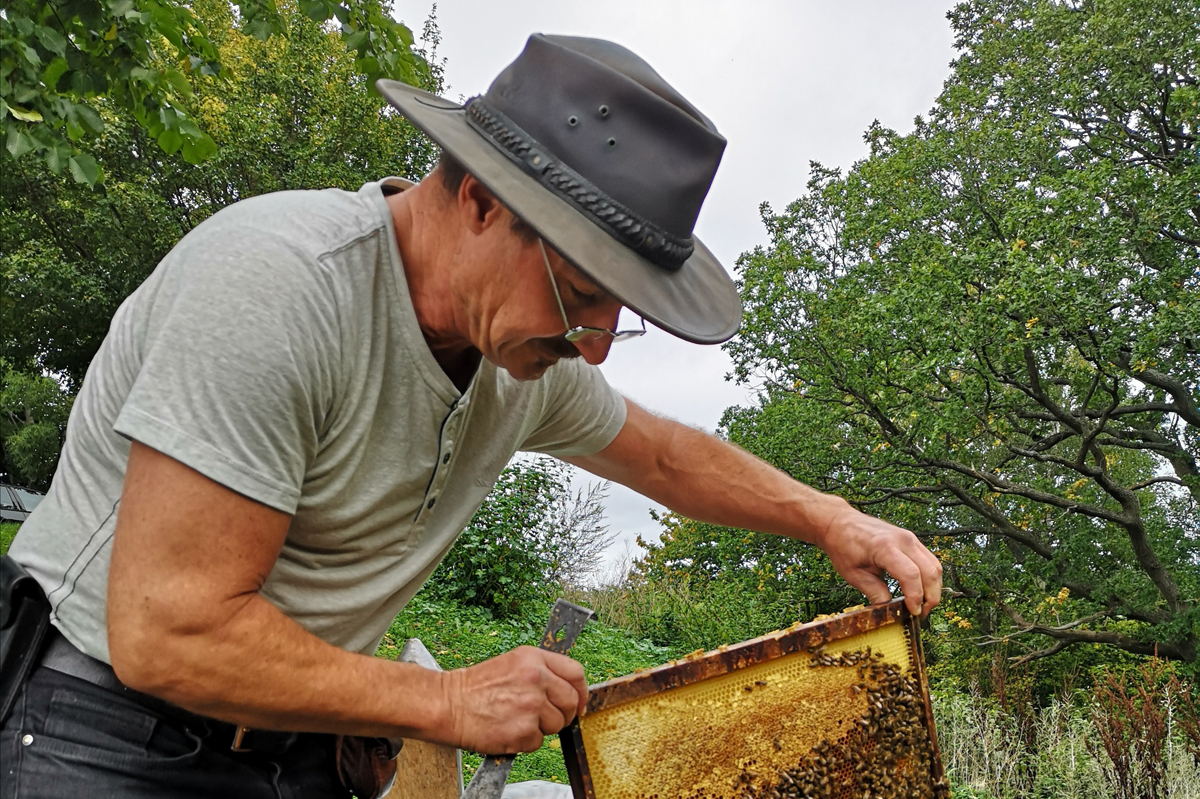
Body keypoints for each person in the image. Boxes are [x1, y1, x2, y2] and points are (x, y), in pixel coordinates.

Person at [1, 34, 942, 797]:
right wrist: (447, 700)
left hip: (299, 752)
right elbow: (167, 630)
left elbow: (661, 456)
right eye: (581, 293)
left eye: (621, 315)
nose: (597, 346)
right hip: (99, 733)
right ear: (482, 202)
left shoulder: (518, 357)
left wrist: (828, 516)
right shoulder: (278, 289)